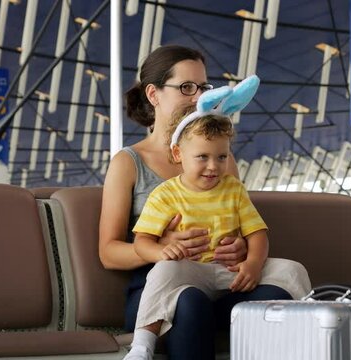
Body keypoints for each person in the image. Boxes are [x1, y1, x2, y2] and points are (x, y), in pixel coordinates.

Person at [99, 45, 295, 359]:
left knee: (274, 296)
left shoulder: (221, 159)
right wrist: (161, 246)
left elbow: (243, 224)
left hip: (220, 280)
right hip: (161, 287)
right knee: (189, 301)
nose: (197, 97)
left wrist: (242, 248)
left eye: (203, 87)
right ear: (154, 94)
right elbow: (108, 252)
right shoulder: (129, 162)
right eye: (186, 87)